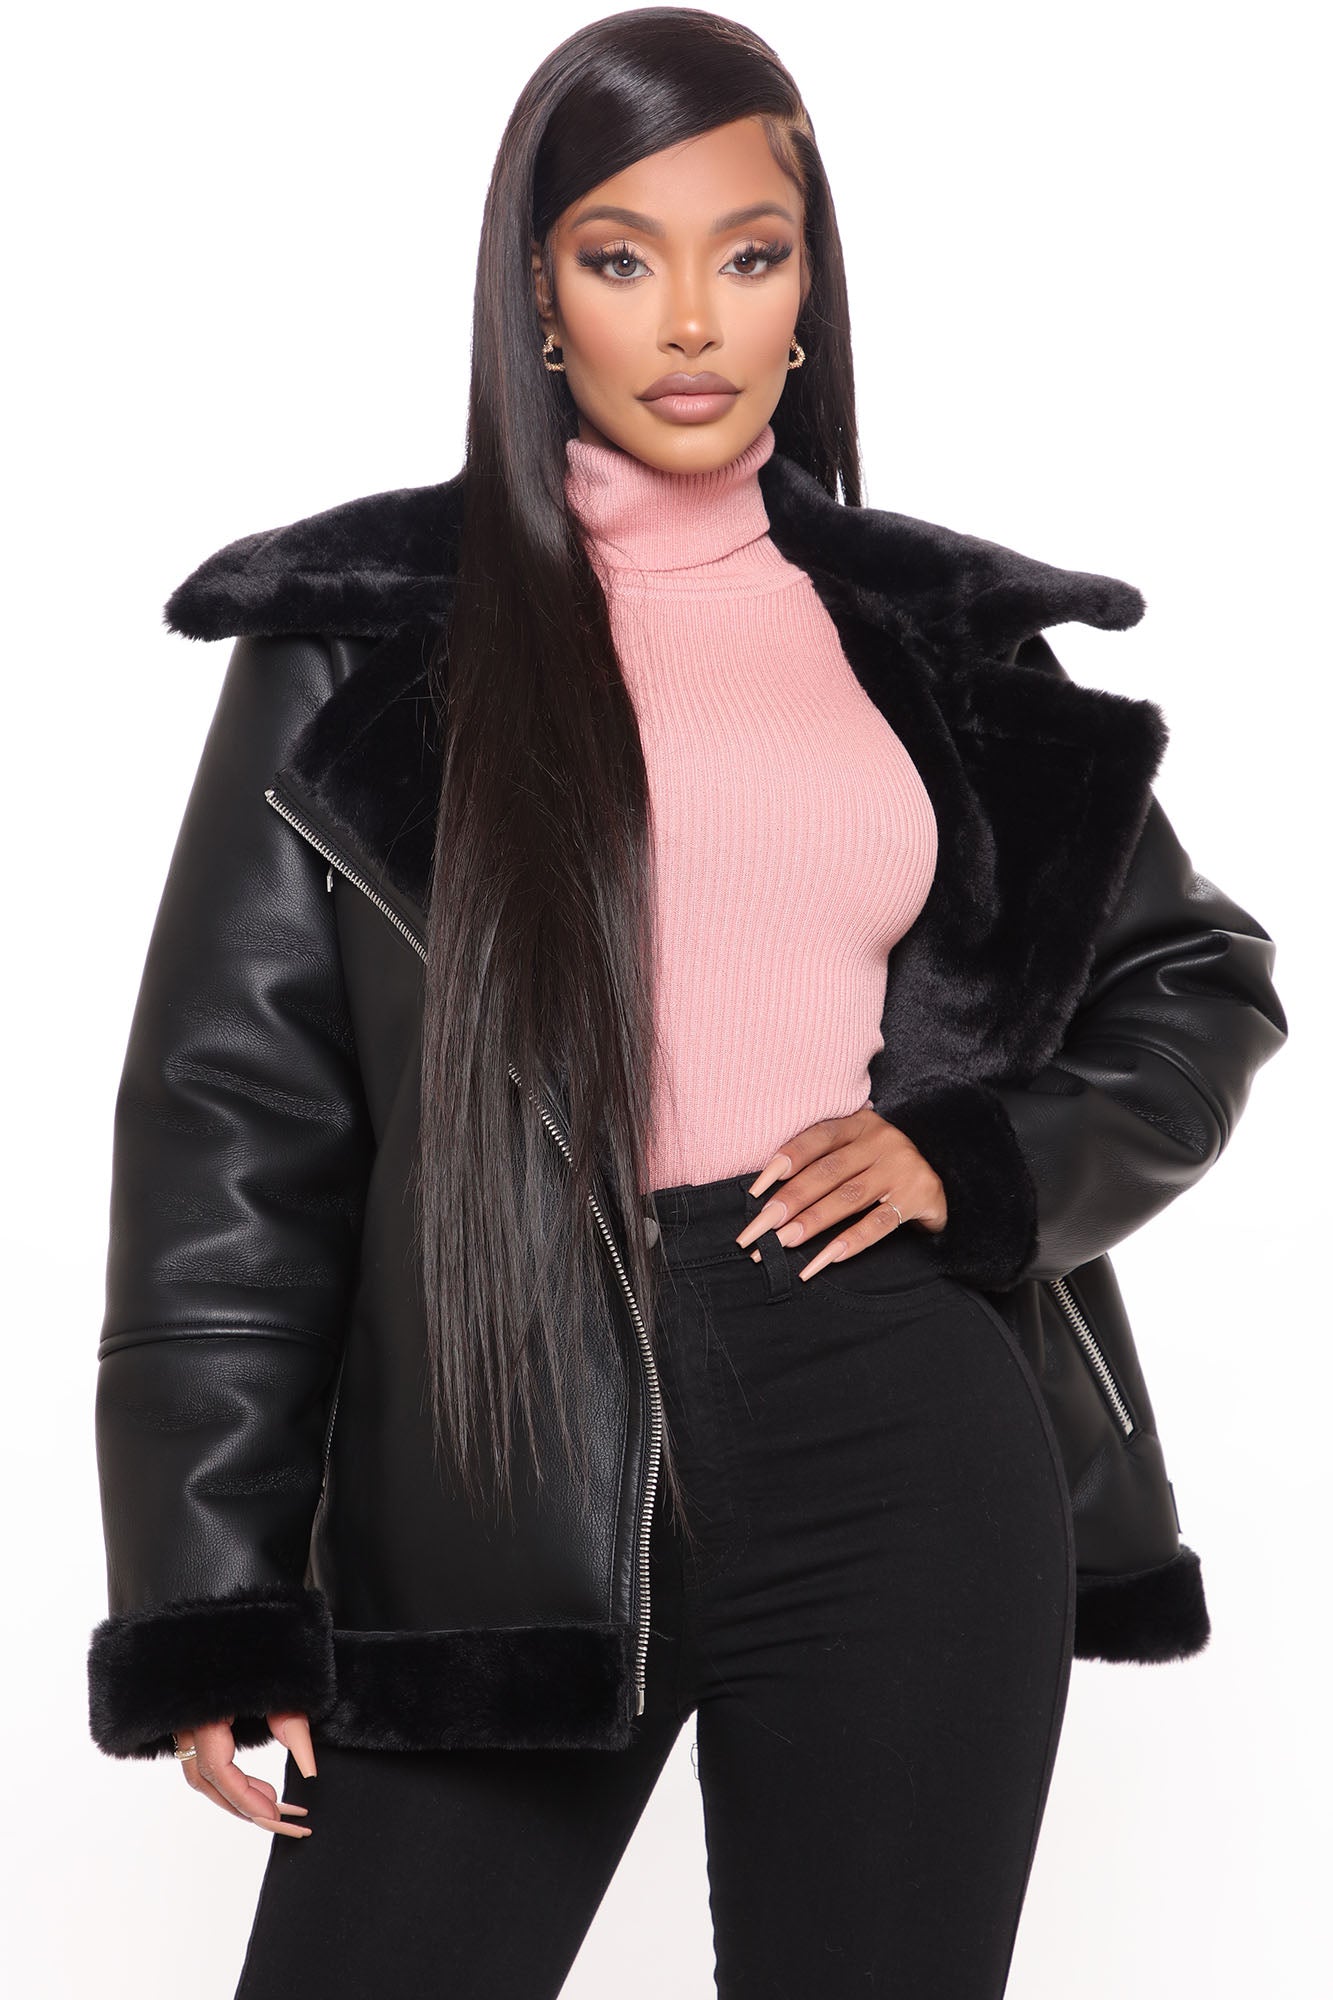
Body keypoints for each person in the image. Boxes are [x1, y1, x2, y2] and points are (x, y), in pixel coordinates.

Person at [85, 10, 1287, 1996]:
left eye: (750, 252)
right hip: (492, 1453)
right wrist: (209, 1589)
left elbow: (1192, 976)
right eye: (621, 256)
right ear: (536, 292)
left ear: (810, 288)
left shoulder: (936, 638)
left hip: (898, 1426)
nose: (694, 319)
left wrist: (982, 1160)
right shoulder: (361, 643)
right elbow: (233, 1130)